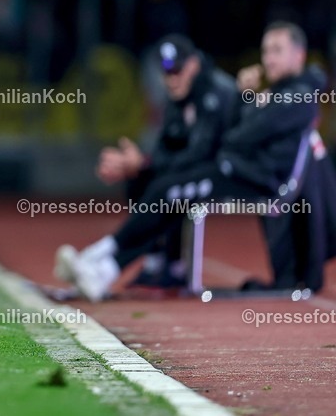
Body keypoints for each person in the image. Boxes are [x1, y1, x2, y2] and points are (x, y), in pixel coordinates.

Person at [56, 22, 321, 301]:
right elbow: (229, 137)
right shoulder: (267, 94)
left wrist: (249, 100)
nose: (268, 58)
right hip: (234, 170)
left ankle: (100, 256)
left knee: (167, 191)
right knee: (165, 189)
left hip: (256, 179)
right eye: (266, 50)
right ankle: (107, 268)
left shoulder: (295, 94)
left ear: (299, 55)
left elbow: (240, 137)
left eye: (277, 50)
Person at [86, 35, 238, 288]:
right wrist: (138, 164)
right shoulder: (178, 95)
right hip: (194, 171)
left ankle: (112, 257)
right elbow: (165, 147)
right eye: (166, 72)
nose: (171, 79)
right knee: (142, 180)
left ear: (193, 65)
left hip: (228, 173)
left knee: (166, 187)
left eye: (177, 71)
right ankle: (155, 261)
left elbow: (201, 153)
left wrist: (146, 162)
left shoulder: (218, 91)